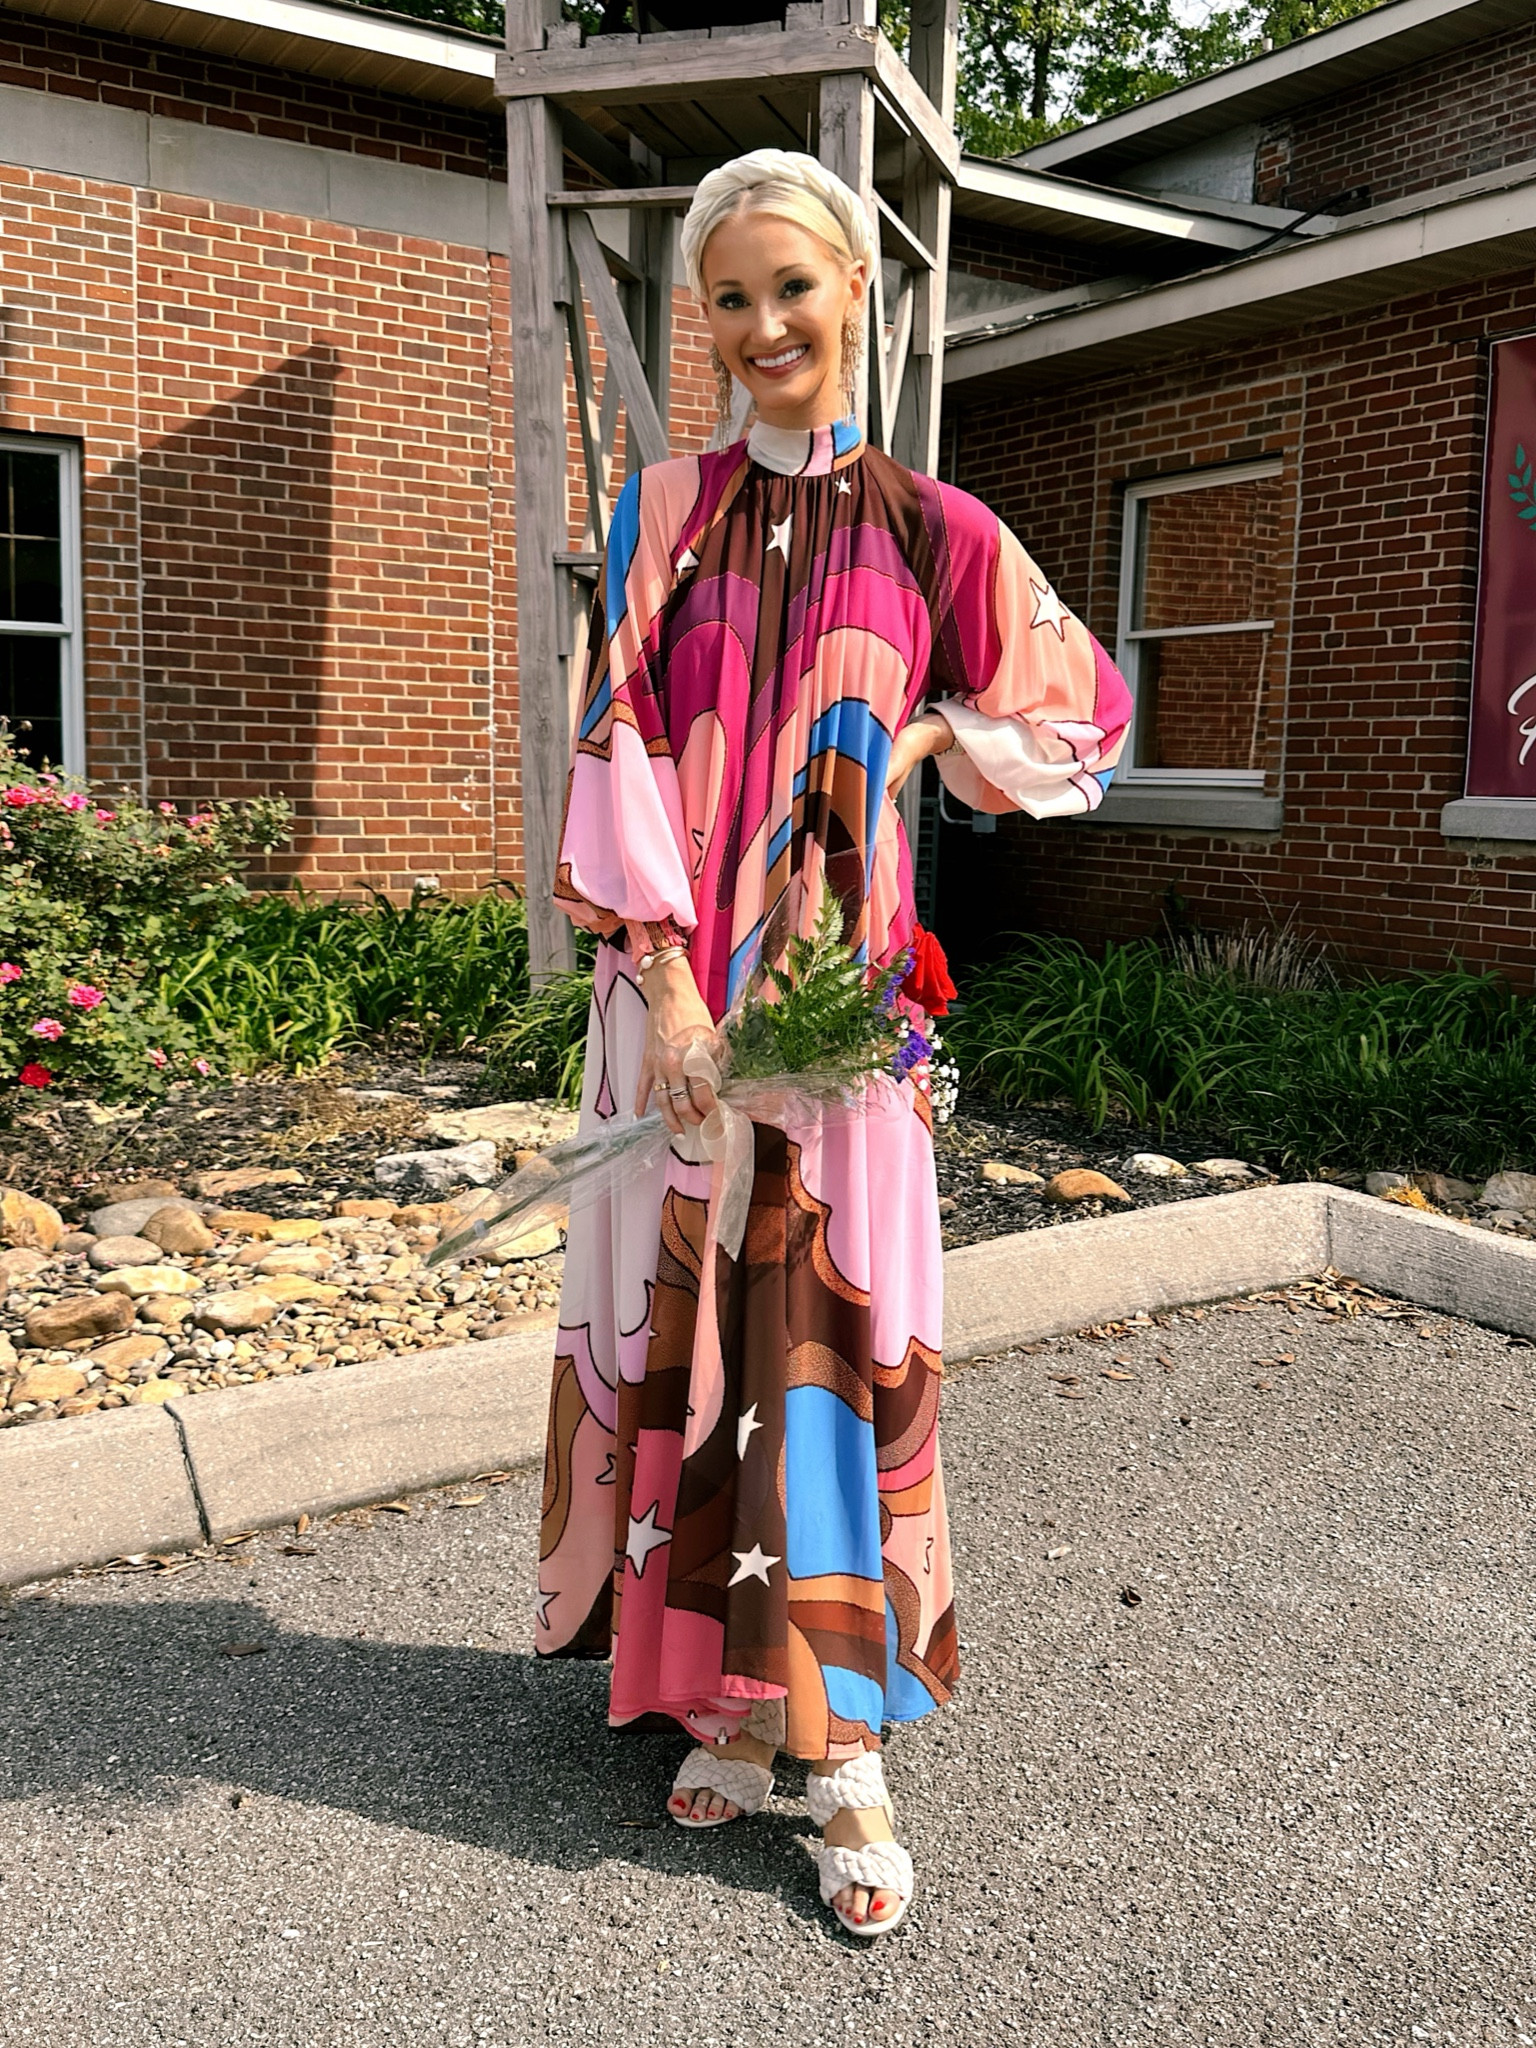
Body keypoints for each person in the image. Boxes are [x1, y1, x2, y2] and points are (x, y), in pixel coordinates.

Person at [535, 148, 1132, 1938]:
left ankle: (843, 1737)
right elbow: (612, 749)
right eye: (728, 297)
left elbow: (1085, 709)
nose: (762, 326)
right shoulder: (658, 518)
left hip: (840, 1033)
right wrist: (675, 991)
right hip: (680, 1021)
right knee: (691, 1335)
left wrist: (944, 730)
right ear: (703, 321)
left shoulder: (938, 530)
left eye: (792, 288)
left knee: (820, 1343)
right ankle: (718, 1690)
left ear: (855, 295)